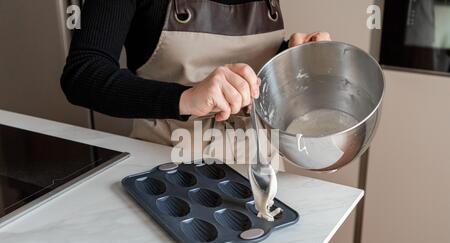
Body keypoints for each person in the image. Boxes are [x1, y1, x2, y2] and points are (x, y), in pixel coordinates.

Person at [61, 0, 331, 161]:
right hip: (166, 165)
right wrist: (185, 98)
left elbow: (253, 63)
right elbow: (83, 74)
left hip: (258, 164)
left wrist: (291, 56)